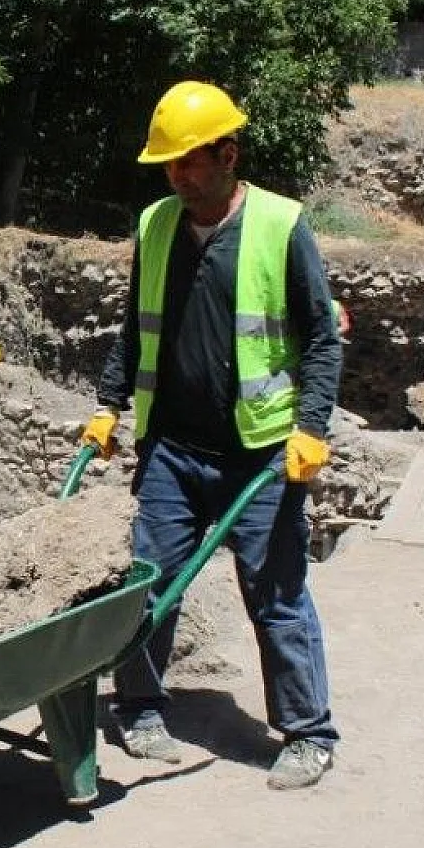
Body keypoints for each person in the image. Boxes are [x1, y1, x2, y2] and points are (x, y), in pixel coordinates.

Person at [83, 80, 343, 791]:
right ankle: (139, 707)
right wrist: (109, 404)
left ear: (228, 153)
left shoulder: (281, 226)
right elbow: (136, 326)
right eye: (168, 165)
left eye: (189, 161)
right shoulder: (156, 225)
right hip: (172, 447)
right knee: (146, 581)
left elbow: (323, 338)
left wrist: (311, 426)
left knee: (277, 590)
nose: (177, 175)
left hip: (259, 453)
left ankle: (309, 732)